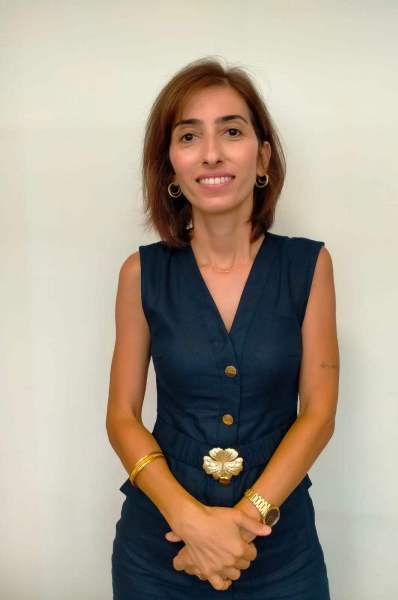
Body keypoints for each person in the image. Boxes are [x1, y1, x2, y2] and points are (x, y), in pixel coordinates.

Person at [107, 56, 339, 599]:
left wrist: (242, 524)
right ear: (170, 166)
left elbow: (319, 413)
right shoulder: (141, 273)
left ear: (262, 157)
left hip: (279, 549)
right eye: (189, 136)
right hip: (160, 545)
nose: (211, 152)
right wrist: (189, 520)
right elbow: (121, 417)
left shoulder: (309, 266)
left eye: (231, 131)